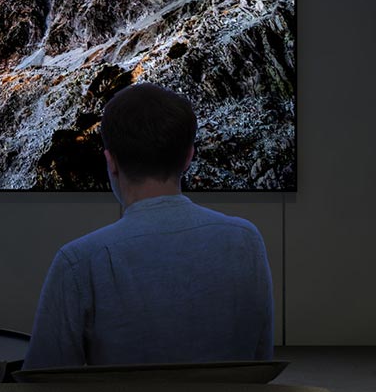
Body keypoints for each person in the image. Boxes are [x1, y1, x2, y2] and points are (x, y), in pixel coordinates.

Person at [21, 82, 273, 369]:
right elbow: (260, 361)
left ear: (111, 161)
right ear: (189, 157)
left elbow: (44, 384)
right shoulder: (246, 240)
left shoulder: (78, 262)